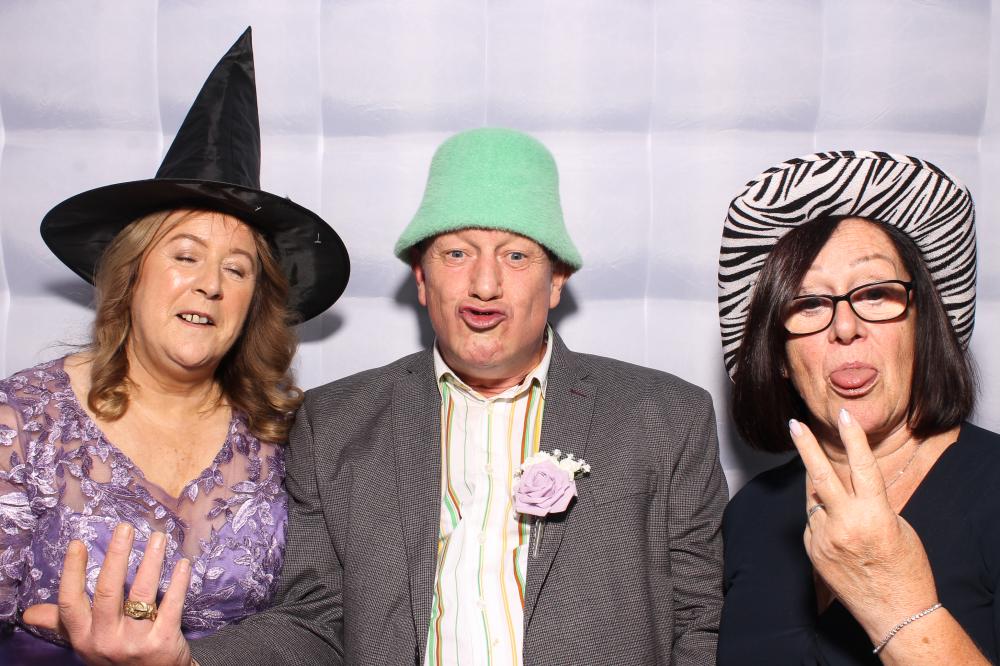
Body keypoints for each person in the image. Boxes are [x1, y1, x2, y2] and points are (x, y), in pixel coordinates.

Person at [29, 127, 728, 664]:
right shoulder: (336, 422)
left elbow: (698, 623)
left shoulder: (663, 416)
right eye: (456, 253)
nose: (485, 284)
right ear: (422, 280)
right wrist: (189, 661)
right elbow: (312, 620)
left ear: (556, 282)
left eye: (516, 256)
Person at [2, 29, 350, 663]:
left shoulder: (287, 435)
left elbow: (314, 618)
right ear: (131, 274)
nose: (210, 284)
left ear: (253, 304)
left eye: (237, 269)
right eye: (185, 256)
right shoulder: (22, 420)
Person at [715, 150, 996, 663]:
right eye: (808, 303)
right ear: (780, 357)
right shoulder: (750, 513)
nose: (845, 327)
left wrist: (892, 600)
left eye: (875, 294)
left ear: (923, 328)